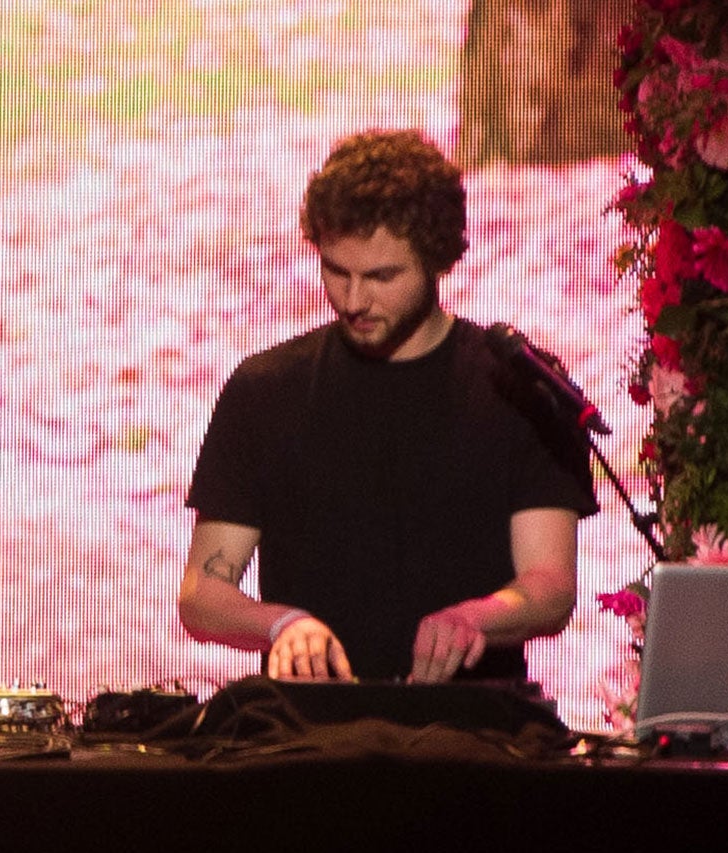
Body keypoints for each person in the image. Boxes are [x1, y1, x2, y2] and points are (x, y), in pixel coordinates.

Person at [178, 128, 596, 684]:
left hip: (475, 733)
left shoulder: (516, 388)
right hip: (308, 735)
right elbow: (203, 595)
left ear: (438, 260)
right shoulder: (267, 390)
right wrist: (282, 624)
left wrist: (475, 618)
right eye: (336, 271)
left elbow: (550, 586)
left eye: (382, 277)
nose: (353, 301)